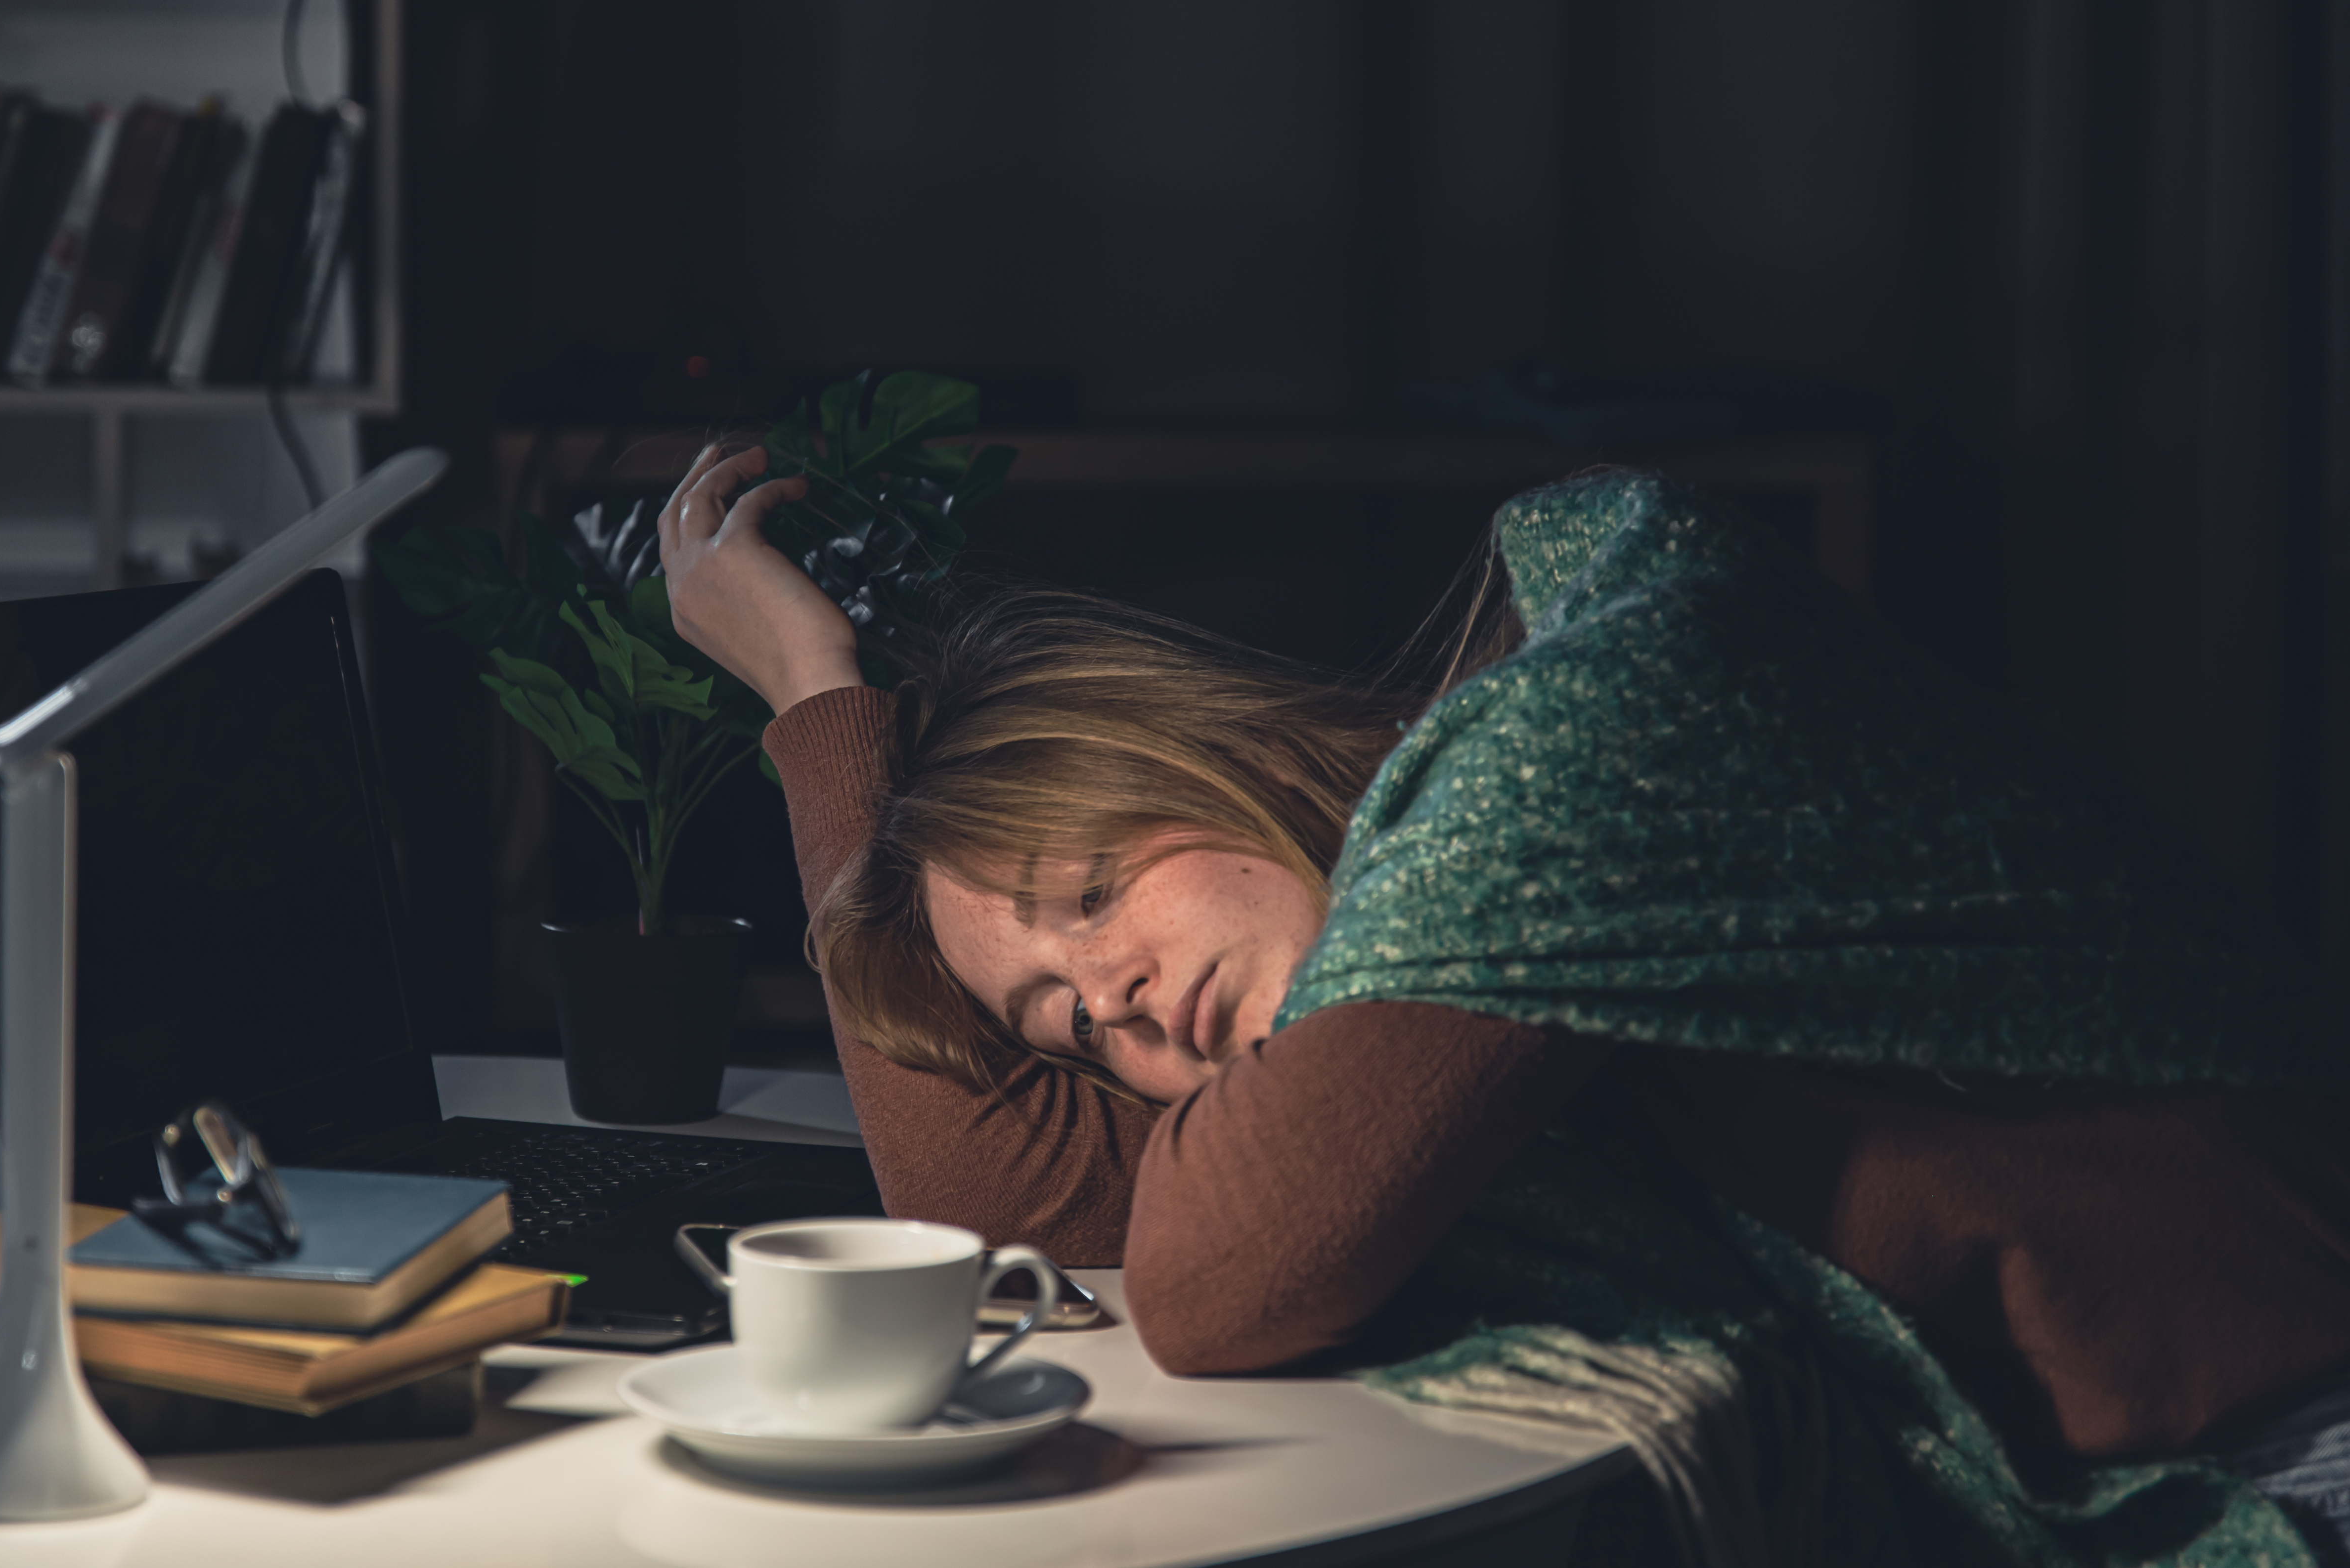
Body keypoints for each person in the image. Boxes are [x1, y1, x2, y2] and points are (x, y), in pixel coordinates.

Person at [658, 440, 2350, 1564]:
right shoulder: (1426, 1025)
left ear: (1210, 752)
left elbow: (1217, 1267)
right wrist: (822, 701)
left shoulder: (1585, 733)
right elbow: (991, 1206)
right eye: (1071, 1029)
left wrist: (847, 729)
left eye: (1097, 893)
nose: (1126, 1003)